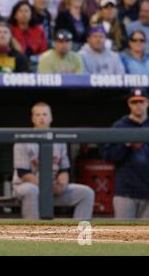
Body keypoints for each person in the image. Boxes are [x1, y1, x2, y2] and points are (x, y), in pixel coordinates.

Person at [13, 102, 95, 220]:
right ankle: (33, 233)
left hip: (53, 187)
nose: (42, 118)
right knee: (32, 190)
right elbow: (23, 173)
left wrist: (61, 185)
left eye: (45, 114)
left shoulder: (59, 140)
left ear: (51, 118)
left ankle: (79, 232)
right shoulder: (23, 140)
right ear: (32, 118)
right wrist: (47, 186)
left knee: (86, 193)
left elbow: (64, 169)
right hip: (26, 186)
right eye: (38, 115)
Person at [103, 88, 149, 219]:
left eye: (141, 101)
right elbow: (108, 156)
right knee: (124, 236)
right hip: (125, 192)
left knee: (146, 237)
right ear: (129, 104)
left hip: (148, 191)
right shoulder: (120, 126)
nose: (138, 105)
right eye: (134, 102)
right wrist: (126, 145)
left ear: (147, 103)